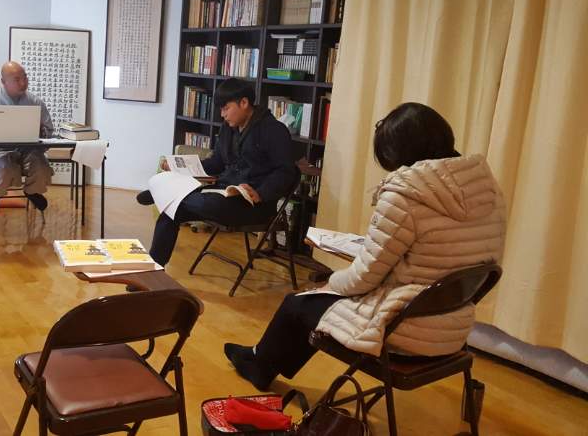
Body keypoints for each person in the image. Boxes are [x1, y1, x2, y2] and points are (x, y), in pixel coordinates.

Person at [224, 102, 507, 390]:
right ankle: (260, 358)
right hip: (453, 326)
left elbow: (364, 278)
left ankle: (259, 364)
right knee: (313, 301)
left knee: (299, 302)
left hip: (405, 327)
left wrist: (330, 283)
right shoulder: (486, 189)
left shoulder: (407, 195)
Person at [137, 78, 299, 265]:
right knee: (171, 211)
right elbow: (216, 163)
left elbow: (286, 172)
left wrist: (261, 193)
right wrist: (180, 167)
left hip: (253, 205)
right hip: (223, 193)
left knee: (204, 203)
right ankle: (154, 268)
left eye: (226, 108)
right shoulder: (228, 128)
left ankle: (165, 193)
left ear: (244, 103)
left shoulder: (274, 130)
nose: (223, 114)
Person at [0, 61, 54, 219]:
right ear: (3, 81)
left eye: (25, 78)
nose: (23, 83)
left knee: (41, 164)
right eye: (17, 79)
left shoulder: (35, 102)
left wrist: (43, 131)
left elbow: (49, 130)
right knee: (4, 164)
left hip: (28, 151)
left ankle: (32, 192)